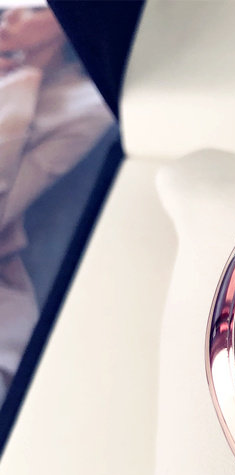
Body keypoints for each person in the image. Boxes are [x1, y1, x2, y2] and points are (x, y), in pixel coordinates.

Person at [0, 4, 113, 404]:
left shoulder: (87, 107)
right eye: (8, 12)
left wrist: (22, 87)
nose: (11, 19)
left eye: (33, 10)